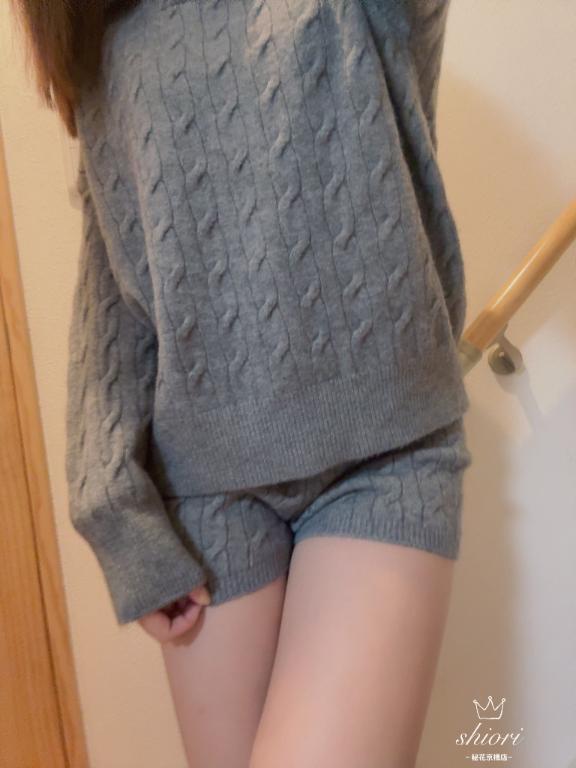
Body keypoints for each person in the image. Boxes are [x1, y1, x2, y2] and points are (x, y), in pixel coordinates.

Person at [13, 0, 473, 765]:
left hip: (383, 456)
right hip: (204, 495)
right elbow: (113, 269)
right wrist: (112, 506)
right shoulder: (97, 23)